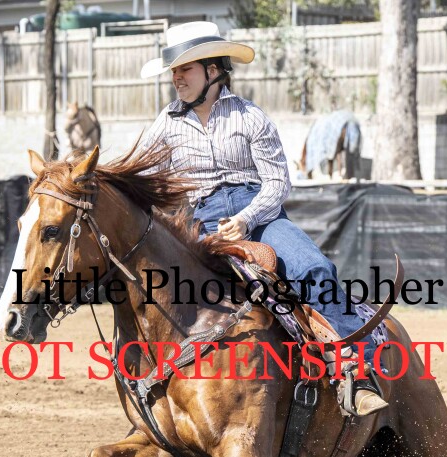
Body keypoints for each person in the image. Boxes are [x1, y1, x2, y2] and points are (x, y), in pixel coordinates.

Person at [138, 21, 386, 416]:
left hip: (259, 213)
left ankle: (359, 371)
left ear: (213, 70)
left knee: (314, 268)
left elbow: (277, 183)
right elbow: (143, 174)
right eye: (174, 70)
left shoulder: (250, 116)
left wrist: (246, 218)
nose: (176, 78)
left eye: (185, 68)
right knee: (161, 287)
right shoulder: (165, 123)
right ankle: (151, 378)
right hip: (197, 219)